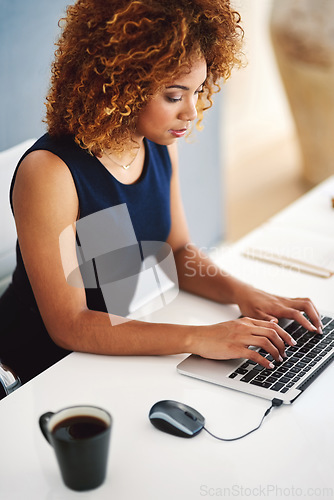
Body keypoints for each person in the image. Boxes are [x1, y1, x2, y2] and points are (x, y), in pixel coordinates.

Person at [0, 0, 322, 385]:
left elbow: (178, 253)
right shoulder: (50, 173)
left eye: (198, 90)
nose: (191, 111)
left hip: (116, 351)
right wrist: (200, 337)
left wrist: (245, 294)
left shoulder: (159, 143)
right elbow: (70, 326)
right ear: (120, 84)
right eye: (174, 95)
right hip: (41, 372)